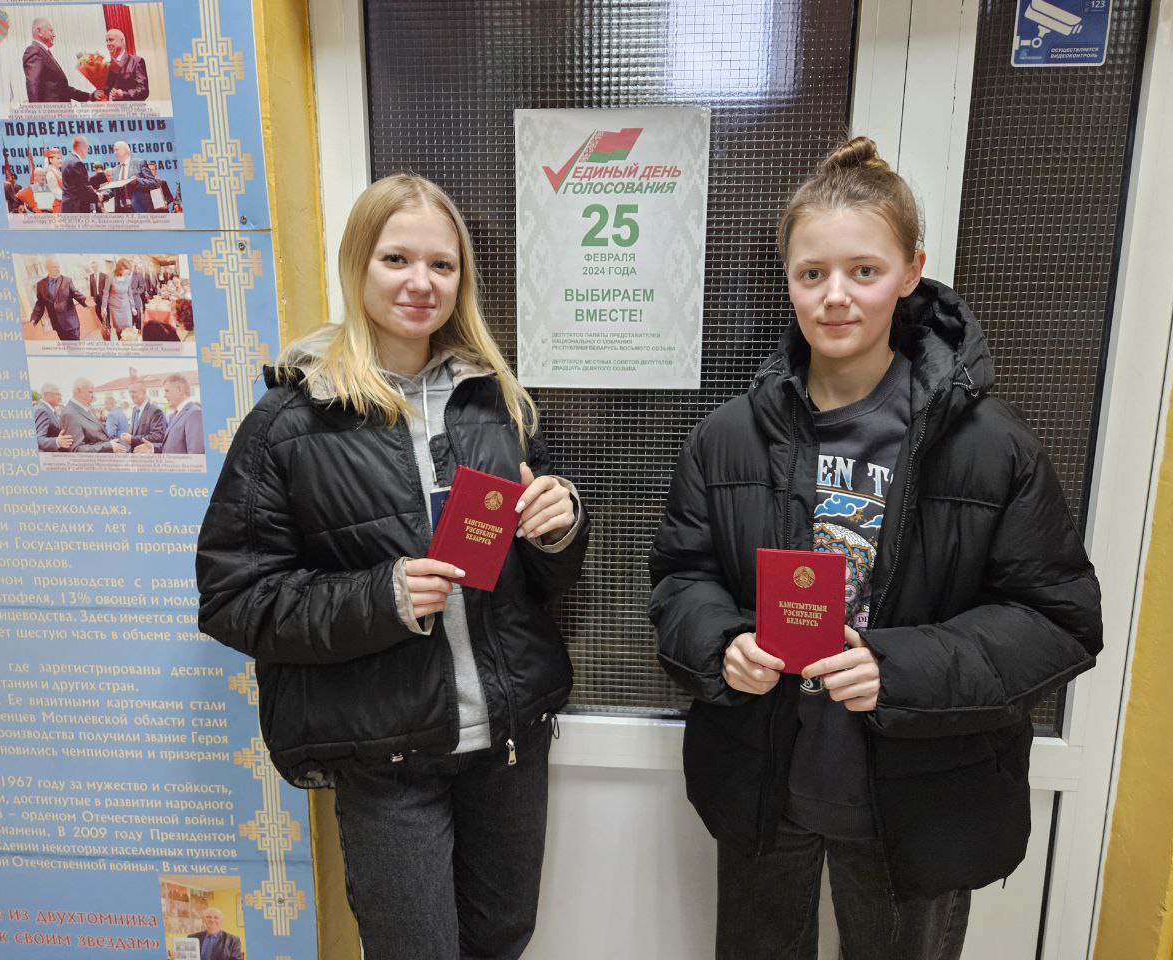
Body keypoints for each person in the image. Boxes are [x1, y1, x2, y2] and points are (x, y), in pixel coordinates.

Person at [648, 137, 1103, 960]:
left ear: (910, 272)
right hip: (766, 785)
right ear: (788, 280)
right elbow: (682, 579)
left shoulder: (989, 445)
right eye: (811, 273)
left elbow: (1058, 621)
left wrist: (901, 668)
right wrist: (722, 645)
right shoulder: (726, 438)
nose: (835, 297)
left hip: (920, 797)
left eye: (864, 271)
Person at [196, 173, 589, 960]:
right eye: (397, 259)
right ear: (357, 266)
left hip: (509, 742)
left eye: (442, 265)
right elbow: (233, 597)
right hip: (388, 757)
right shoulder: (288, 421)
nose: (421, 283)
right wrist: (384, 596)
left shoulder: (497, 402)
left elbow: (545, 582)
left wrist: (560, 529)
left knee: (503, 939)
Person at [22, 18, 94, 103]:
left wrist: (89, 96)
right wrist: (36, 110)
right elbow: (33, 85)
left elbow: (62, 88)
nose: (54, 35)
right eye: (51, 31)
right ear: (39, 32)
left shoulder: (44, 53)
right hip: (51, 111)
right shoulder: (34, 50)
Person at [29, 257, 91, 341]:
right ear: (47, 268)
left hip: (71, 323)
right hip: (58, 325)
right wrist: (34, 318)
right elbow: (40, 303)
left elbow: (75, 293)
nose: (57, 269)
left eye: (58, 266)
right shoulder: (40, 285)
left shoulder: (67, 280)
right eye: (54, 267)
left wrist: (85, 301)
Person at [59, 379, 123, 453]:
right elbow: (76, 450)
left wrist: (110, 444)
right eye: (90, 392)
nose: (93, 396)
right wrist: (108, 446)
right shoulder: (70, 414)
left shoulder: (84, 409)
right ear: (78, 391)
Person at [150, 373, 203, 455]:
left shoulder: (194, 413)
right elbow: (174, 447)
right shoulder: (175, 415)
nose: (164, 395)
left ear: (179, 390)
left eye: (167, 391)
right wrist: (153, 448)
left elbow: (195, 456)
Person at [108, 141, 159, 213]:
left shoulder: (139, 163)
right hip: (121, 211)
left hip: (139, 209)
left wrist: (137, 181)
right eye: (114, 151)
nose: (115, 153)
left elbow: (153, 183)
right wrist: (102, 195)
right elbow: (112, 190)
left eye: (117, 150)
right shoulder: (114, 170)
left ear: (125, 150)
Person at [102, 28, 149, 102]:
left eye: (111, 40)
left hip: (130, 108)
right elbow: (106, 89)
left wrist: (124, 94)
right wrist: (97, 94)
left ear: (121, 41)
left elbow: (144, 91)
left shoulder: (136, 61)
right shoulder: (107, 65)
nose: (108, 44)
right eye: (106, 41)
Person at [100, 258, 140, 336]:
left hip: (126, 306)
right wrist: (103, 307)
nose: (128, 273)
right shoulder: (110, 277)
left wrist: (133, 307)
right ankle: (120, 341)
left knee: (129, 327)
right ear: (120, 269)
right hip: (115, 308)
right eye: (126, 271)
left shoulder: (128, 277)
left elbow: (129, 293)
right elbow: (106, 293)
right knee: (119, 330)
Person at [122, 383, 167, 451]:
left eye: (134, 392)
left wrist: (132, 439)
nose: (131, 395)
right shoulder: (135, 410)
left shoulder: (155, 411)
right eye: (130, 392)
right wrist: (127, 436)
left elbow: (157, 436)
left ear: (144, 392)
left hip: (147, 455)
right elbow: (136, 432)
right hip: (135, 453)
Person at [60, 136, 96, 214]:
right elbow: (84, 188)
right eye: (87, 148)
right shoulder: (77, 163)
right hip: (76, 208)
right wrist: (97, 196)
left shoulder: (66, 160)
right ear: (82, 148)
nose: (87, 151)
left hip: (67, 207)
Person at [33, 383, 73, 452]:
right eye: (58, 394)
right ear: (47, 395)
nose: (60, 398)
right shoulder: (42, 410)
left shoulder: (48, 410)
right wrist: (57, 442)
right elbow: (38, 439)